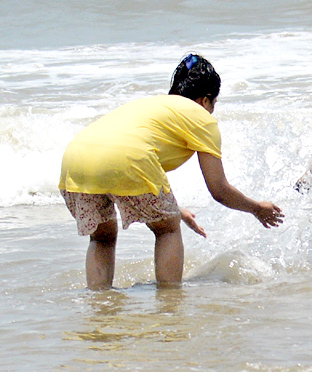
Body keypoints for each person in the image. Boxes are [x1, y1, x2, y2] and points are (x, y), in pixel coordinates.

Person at [58, 53, 284, 290]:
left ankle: (99, 303)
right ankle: (169, 302)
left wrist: (176, 209)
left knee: (102, 237)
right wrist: (257, 209)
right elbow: (219, 189)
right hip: (126, 159)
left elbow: (131, 155)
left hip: (75, 160)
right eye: (213, 104)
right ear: (205, 101)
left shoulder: (153, 105)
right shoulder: (201, 118)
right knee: (167, 230)